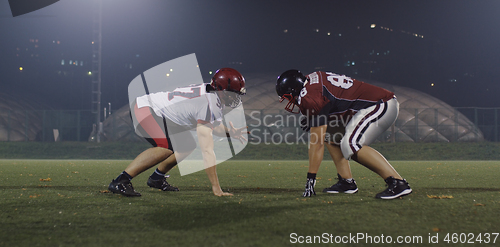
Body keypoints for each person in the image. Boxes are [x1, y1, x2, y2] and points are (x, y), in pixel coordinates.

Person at [108, 68, 247, 197]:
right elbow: (207, 150)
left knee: (186, 145)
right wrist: (216, 187)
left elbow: (213, 127)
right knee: (166, 147)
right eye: (233, 93)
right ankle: (121, 181)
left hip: (159, 113)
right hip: (146, 109)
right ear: (222, 90)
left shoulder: (211, 95)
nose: (235, 98)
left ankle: (157, 178)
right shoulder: (210, 103)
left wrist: (230, 132)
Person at [275, 69, 412, 199]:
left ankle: (398, 182)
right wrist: (316, 115)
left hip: (380, 104)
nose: (289, 101)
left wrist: (311, 178)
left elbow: (316, 143)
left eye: (288, 97)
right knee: (331, 136)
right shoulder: (312, 80)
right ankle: (347, 182)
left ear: (294, 91)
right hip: (365, 107)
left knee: (351, 144)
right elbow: (335, 102)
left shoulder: (311, 97)